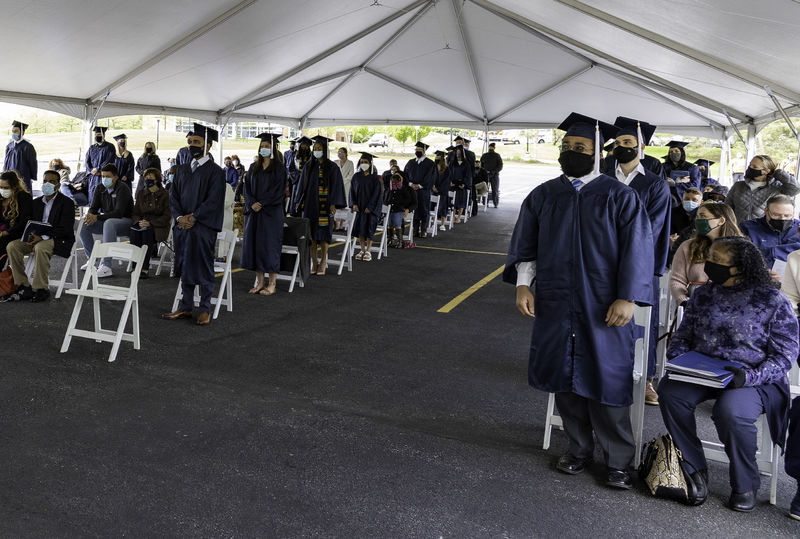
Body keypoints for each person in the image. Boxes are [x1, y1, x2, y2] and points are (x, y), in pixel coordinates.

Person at [505, 112, 654, 490]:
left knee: (608, 380)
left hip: (603, 303)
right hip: (555, 300)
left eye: (581, 147)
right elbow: (527, 245)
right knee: (565, 379)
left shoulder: (620, 196)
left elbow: (638, 250)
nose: (572, 152)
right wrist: (524, 284)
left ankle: (618, 461)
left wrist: (628, 297)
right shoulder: (544, 195)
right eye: (567, 146)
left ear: (597, 152)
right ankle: (578, 449)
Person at [659, 236, 798, 511]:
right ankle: (694, 467)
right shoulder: (704, 294)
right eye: (710, 258)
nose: (709, 264)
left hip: (752, 378)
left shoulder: (772, 300)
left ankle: (745, 483)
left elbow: (785, 355)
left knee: (731, 411)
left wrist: (749, 377)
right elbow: (682, 337)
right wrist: (681, 362)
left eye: (718, 261)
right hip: (704, 372)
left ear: (741, 267)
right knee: (669, 391)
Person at [610, 116, 672, 406]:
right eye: (618, 142)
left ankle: (646, 379)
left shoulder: (655, 184)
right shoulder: (602, 176)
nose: (621, 147)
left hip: (640, 261)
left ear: (641, 147)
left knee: (642, 324)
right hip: (602, 261)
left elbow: (653, 226)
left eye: (627, 143)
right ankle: (608, 371)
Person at [162, 124, 225, 326]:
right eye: (189, 142)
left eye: (196, 142)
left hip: (203, 227)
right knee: (185, 264)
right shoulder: (181, 169)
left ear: (208, 145)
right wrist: (180, 217)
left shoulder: (216, 172)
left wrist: (194, 217)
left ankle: (205, 308)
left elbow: (213, 200)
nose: (191, 146)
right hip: (183, 226)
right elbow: (173, 196)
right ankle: (186, 306)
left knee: (203, 265)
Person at [3, 170, 75, 302]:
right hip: (35, 237)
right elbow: (30, 222)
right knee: (12, 246)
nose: (47, 184)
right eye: (45, 181)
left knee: (40, 247)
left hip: (57, 239)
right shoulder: (36, 203)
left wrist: (43, 237)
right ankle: (23, 285)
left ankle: (41, 288)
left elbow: (65, 229)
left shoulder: (67, 203)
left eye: (52, 181)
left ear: (58, 185)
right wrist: (31, 235)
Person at [240, 133, 286, 296]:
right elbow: (246, 188)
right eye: (262, 146)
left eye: (267, 146)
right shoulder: (254, 167)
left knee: (270, 246)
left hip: (271, 213)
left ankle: (272, 283)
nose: (264, 149)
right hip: (254, 212)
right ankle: (260, 282)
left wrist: (263, 203)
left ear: (273, 148)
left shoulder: (279, 169)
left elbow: (279, 192)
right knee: (256, 246)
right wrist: (252, 202)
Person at [670, 202, 742, 305]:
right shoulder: (687, 246)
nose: (698, 220)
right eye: (697, 216)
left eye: (703, 216)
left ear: (721, 221)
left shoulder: (741, 248)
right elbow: (677, 280)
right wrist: (683, 302)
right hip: (694, 305)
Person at [294, 135, 346, 276]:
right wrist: (298, 201)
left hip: (325, 206)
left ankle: (323, 261)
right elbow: (301, 185)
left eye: (319, 148)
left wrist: (334, 203)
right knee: (311, 236)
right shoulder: (309, 166)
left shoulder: (332, 167)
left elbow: (336, 186)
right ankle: (314, 262)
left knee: (323, 235)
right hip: (310, 205)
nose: (316, 150)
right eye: (315, 148)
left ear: (325, 149)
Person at [79, 164, 134, 278]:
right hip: (107, 221)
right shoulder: (100, 188)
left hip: (125, 222)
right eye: (103, 176)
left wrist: (97, 217)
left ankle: (106, 266)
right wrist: (89, 216)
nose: (104, 179)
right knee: (84, 224)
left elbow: (118, 213)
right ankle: (92, 259)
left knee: (110, 223)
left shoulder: (122, 188)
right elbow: (93, 208)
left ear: (115, 177)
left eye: (108, 176)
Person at [726, 154, 800, 224]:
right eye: (750, 165)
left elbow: (795, 188)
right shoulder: (738, 186)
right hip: (739, 230)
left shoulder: (777, 187)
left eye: (754, 167)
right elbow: (727, 207)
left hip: (764, 232)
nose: (750, 168)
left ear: (766, 171)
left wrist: (779, 172)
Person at [740, 194, 800, 274]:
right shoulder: (748, 228)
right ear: (766, 211)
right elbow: (740, 256)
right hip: (757, 277)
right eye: (776, 215)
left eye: (787, 215)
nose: (782, 219)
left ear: (793, 213)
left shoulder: (798, 229)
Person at [129, 168, 170, 279]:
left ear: (157, 180)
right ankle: (135, 266)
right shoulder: (141, 193)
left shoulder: (165, 195)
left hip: (158, 226)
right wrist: (139, 221)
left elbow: (167, 217)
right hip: (142, 223)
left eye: (150, 178)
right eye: (146, 178)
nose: (147, 180)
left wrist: (150, 223)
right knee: (134, 232)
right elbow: (135, 212)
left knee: (147, 233)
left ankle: (144, 268)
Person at [350, 152, 382, 261]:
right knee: (360, 229)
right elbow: (352, 192)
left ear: (370, 163)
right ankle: (362, 249)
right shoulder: (356, 176)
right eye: (362, 162)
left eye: (366, 162)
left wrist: (371, 207)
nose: (363, 164)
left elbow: (376, 194)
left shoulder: (375, 178)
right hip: (359, 207)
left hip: (370, 209)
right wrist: (353, 204)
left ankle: (368, 251)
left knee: (369, 229)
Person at [404, 141, 436, 238]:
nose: (417, 151)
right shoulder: (410, 162)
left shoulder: (430, 163)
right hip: (412, 191)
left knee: (424, 210)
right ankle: (415, 229)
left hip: (423, 191)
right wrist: (410, 184)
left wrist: (420, 185)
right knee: (414, 210)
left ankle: (423, 230)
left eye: (420, 150)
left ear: (424, 151)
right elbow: (405, 175)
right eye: (416, 150)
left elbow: (431, 177)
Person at [0, 171, 33, 259]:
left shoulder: (24, 197)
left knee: (2, 243)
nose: (3, 190)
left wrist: (6, 232)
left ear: (14, 187)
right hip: (3, 232)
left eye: (6, 188)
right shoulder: (1, 198)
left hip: (16, 233)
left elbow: (24, 221)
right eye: (1, 187)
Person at [384, 170, 417, 248]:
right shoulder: (390, 188)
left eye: (398, 177)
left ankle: (400, 241)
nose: (396, 179)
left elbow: (414, 203)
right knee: (390, 224)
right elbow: (385, 198)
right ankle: (391, 239)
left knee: (397, 222)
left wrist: (408, 209)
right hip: (391, 209)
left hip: (403, 210)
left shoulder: (409, 189)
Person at [663, 140, 701, 206]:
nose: (673, 153)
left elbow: (695, 185)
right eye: (671, 152)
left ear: (682, 153)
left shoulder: (692, 168)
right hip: (667, 199)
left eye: (676, 151)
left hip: (686, 200)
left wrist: (675, 184)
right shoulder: (663, 167)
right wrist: (681, 182)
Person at [84, 126, 116, 205]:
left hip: (104, 176)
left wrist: (99, 169)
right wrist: (91, 170)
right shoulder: (91, 148)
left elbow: (109, 160)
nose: (98, 136)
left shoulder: (109, 147)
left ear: (103, 135)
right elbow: (87, 161)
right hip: (93, 177)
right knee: (92, 196)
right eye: (96, 135)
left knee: (103, 194)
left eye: (99, 135)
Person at [3, 120, 37, 193]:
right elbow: (6, 162)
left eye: (16, 131)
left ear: (22, 132)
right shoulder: (9, 146)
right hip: (10, 178)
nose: (13, 133)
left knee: (23, 197)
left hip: (23, 178)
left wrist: (32, 176)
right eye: (12, 131)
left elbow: (32, 163)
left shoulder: (28, 146)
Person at [289, 136, 313, 214]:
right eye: (302, 145)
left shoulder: (312, 157)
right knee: (296, 196)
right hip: (297, 180)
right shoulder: (295, 156)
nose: (304, 147)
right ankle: (295, 212)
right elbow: (291, 169)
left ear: (309, 147)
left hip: (307, 181)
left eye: (306, 146)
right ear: (300, 146)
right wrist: (298, 174)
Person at [449, 144, 472, 223]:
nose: (458, 154)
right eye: (456, 152)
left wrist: (464, 184)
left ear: (462, 153)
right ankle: (453, 216)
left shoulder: (466, 164)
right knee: (453, 201)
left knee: (461, 201)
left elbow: (468, 175)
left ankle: (459, 217)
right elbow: (449, 173)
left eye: (459, 152)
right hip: (453, 184)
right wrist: (450, 182)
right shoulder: (452, 163)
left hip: (462, 185)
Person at [335, 147, 354, 231]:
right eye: (339, 152)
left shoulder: (350, 163)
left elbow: (351, 176)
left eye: (342, 152)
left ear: (346, 153)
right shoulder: (335, 162)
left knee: (344, 205)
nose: (340, 154)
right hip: (337, 186)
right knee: (337, 205)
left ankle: (343, 224)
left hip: (346, 186)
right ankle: (337, 223)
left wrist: (342, 181)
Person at [480, 142, 503, 207]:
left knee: (495, 190)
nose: (491, 148)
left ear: (494, 148)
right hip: (486, 174)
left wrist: (494, 171)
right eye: (490, 147)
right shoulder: (484, 155)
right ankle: (485, 203)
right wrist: (484, 171)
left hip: (495, 175)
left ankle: (495, 203)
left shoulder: (497, 155)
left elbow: (500, 165)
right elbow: (481, 165)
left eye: (492, 147)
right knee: (485, 189)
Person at [432, 150, 450, 230]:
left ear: (442, 159)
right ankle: (432, 223)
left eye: (438, 157)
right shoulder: (433, 168)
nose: (437, 159)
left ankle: (442, 224)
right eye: (436, 157)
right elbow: (430, 178)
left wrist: (438, 189)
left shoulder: (447, 170)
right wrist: (433, 187)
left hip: (442, 191)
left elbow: (447, 181)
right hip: (433, 190)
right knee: (432, 207)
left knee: (443, 207)